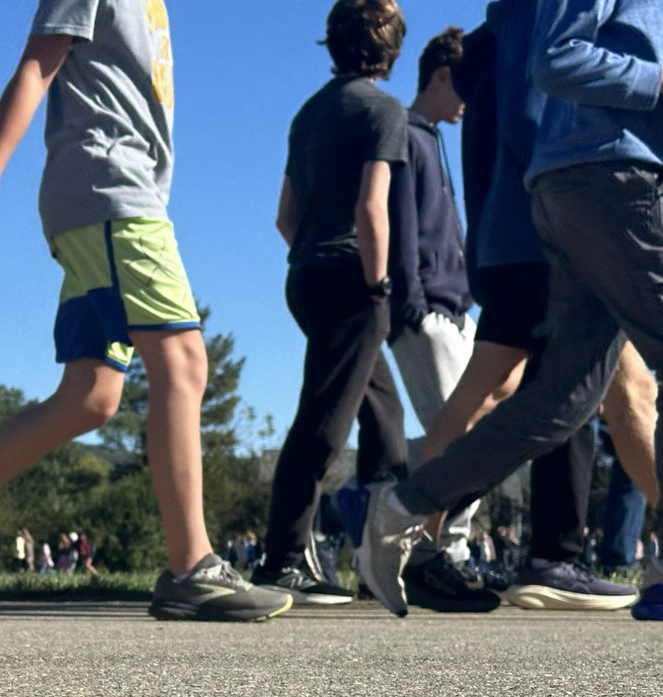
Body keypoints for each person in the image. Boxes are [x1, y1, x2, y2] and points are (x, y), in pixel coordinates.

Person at [363, 0, 663, 623]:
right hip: (607, 178)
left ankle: (401, 509)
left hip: (578, 180)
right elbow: (558, 59)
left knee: (561, 399)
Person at [0, 0, 291, 623]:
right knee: (183, 363)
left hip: (111, 198)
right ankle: (192, 568)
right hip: (110, 190)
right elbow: (35, 69)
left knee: (90, 396)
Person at [402, 2, 637, 613]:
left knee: (487, 396)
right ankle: (578, 554)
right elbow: (538, 131)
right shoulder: (537, 30)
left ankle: (412, 537)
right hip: (542, 233)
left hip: (498, 238)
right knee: (579, 391)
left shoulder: (488, 44)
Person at [246, 0, 409, 608]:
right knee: (324, 424)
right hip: (353, 280)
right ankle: (282, 560)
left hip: (308, 274)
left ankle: (377, 559)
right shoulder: (383, 110)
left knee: (384, 419)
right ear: (390, 49)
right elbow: (372, 208)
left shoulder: (309, 112)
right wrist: (378, 285)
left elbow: (284, 217)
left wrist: (314, 257)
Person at [384, 25, 498, 612]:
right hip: (425, 309)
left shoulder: (433, 138)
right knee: (459, 439)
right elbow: (401, 222)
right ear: (442, 75)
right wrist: (412, 303)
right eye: (467, 87)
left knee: (479, 431)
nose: (471, 102)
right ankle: (440, 550)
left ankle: (436, 541)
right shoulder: (407, 133)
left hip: (454, 308)